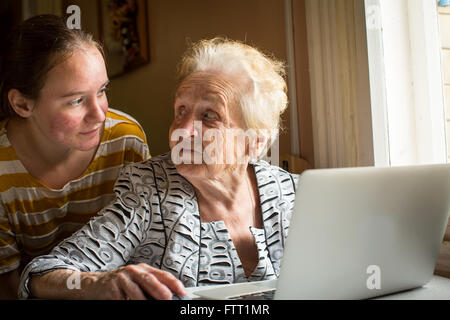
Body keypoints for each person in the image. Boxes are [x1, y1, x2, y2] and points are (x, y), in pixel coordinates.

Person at [18, 38, 298, 300]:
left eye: (208, 116)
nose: (182, 130)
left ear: (254, 140)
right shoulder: (148, 191)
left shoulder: (296, 193)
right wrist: (98, 282)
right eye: (180, 110)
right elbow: (42, 273)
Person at [0, 14, 150, 299]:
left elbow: (142, 247)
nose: (99, 114)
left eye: (102, 91)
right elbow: (6, 286)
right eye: (76, 100)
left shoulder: (126, 142)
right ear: (22, 104)